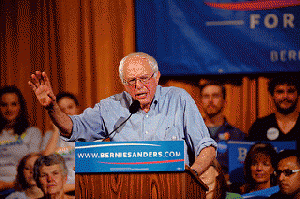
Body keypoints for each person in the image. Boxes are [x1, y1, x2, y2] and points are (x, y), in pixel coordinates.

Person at [28, 52, 217, 176]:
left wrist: (191, 175)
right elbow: (73, 128)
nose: (138, 86)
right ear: (123, 83)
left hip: (174, 189)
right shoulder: (110, 107)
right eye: (131, 81)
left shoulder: (178, 99)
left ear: (157, 76)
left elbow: (206, 147)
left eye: (144, 78)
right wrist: (52, 107)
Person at [0, 86, 42, 194]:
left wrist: (9, 185)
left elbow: (33, 167)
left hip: (23, 188)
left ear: (21, 107)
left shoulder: (33, 132)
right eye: (4, 105)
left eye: (14, 104)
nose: (9, 109)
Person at [200, 81, 245, 175]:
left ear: (225, 101)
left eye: (215, 96)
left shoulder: (237, 135)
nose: (210, 100)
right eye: (206, 96)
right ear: (201, 101)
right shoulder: (191, 133)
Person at [247, 75, 300, 148]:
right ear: (272, 95)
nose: (285, 96)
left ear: (298, 94)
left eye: (290, 92)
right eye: (280, 92)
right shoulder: (260, 126)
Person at [41, 92, 78, 193]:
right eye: (61, 109)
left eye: (70, 107)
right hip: (56, 188)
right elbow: (45, 161)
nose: (66, 112)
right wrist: (57, 130)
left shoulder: (87, 134)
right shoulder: (50, 135)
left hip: (80, 186)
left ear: (77, 109)